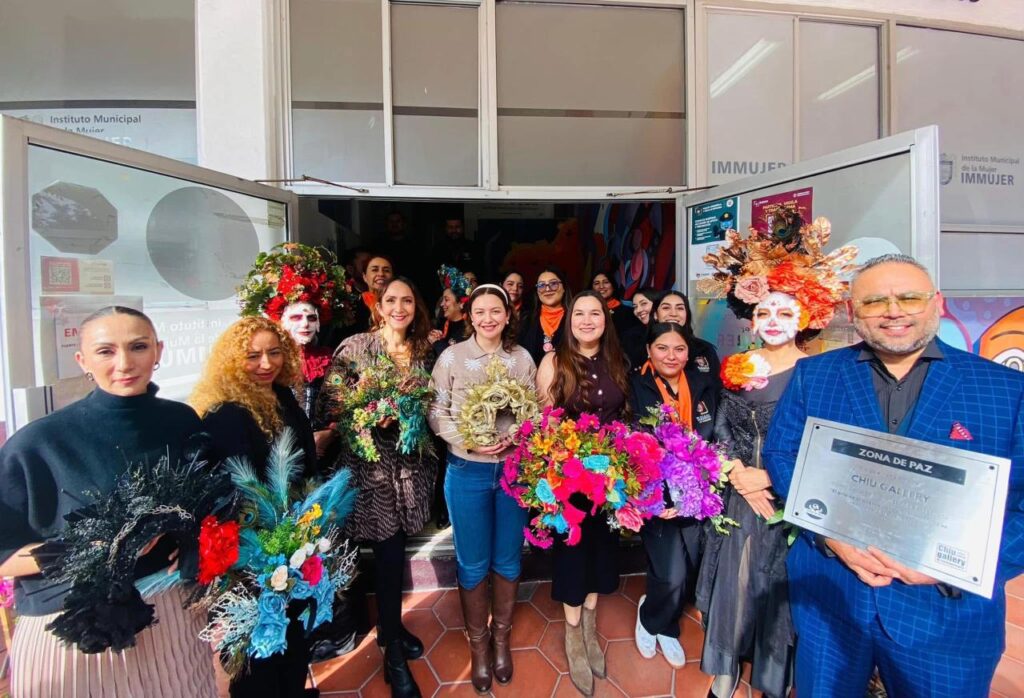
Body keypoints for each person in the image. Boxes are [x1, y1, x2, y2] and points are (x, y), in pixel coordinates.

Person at [764, 254, 1024, 698]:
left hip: (943, 617)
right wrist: (827, 536)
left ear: (938, 303)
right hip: (833, 599)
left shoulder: (1006, 389)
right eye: (874, 301)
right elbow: (783, 452)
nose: (893, 311)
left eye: (909, 297)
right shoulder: (816, 374)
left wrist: (957, 567)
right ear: (852, 311)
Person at [0, 306, 217, 697]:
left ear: (158, 351)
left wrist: (193, 539)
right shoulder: (39, 444)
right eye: (105, 351)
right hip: (76, 630)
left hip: (172, 617)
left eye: (138, 347)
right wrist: (93, 549)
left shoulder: (180, 421)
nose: (125, 363)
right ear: (82, 360)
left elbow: (208, 501)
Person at [314, 277, 439, 698]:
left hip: (409, 468)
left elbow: (431, 404)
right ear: (379, 306)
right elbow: (329, 404)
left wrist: (409, 413)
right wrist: (368, 414)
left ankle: (391, 628)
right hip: (371, 471)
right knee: (385, 552)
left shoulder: (423, 351)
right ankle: (393, 655)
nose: (399, 308)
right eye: (391, 300)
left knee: (396, 551)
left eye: (407, 300)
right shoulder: (355, 347)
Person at [191, 316, 317, 697]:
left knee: (294, 638)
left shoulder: (283, 397)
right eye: (253, 356)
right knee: (257, 649)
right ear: (233, 361)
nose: (266, 364)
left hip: (294, 541)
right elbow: (235, 491)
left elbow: (305, 463)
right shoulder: (224, 413)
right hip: (252, 555)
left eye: (274, 353)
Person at [428, 284, 537, 693]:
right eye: (480, 312)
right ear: (469, 316)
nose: (488, 318)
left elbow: (535, 411)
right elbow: (435, 410)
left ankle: (501, 639)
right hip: (467, 470)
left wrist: (520, 435)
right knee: (472, 562)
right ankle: (479, 645)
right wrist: (469, 441)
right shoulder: (451, 357)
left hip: (513, 470)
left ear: (508, 316)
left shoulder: (521, 358)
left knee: (507, 558)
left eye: (496, 311)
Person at [536, 291, 630, 696]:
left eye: (595, 313)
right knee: (573, 554)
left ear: (605, 321)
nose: (587, 320)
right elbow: (544, 424)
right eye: (580, 314)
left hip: (609, 479)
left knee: (602, 550)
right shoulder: (554, 363)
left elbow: (624, 415)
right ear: (569, 320)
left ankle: (590, 624)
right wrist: (572, 461)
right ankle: (573, 633)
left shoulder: (617, 361)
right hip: (569, 479)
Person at [628, 322, 719, 670]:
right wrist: (660, 498)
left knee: (692, 564)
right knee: (670, 573)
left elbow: (716, 437)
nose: (671, 356)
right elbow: (633, 444)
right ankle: (655, 622)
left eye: (679, 349)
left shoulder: (703, 385)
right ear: (649, 350)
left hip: (696, 493)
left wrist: (700, 488)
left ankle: (662, 616)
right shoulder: (636, 386)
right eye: (662, 348)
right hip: (657, 495)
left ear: (688, 352)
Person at [652, 290, 721, 382]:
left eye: (680, 308)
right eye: (666, 308)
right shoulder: (640, 349)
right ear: (655, 315)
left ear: (687, 314)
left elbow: (715, 385)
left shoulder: (705, 349)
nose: (673, 313)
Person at [520, 265, 571, 365]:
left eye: (553, 283)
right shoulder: (526, 320)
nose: (547, 289)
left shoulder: (575, 319)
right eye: (541, 285)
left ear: (564, 287)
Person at [591, 271, 639, 340]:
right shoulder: (587, 312)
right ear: (592, 289)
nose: (601, 286)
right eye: (596, 283)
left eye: (606, 282)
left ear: (613, 286)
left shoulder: (628, 312)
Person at [621, 286, 658, 368]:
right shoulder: (630, 336)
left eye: (643, 304)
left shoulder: (670, 330)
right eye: (635, 307)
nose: (638, 310)